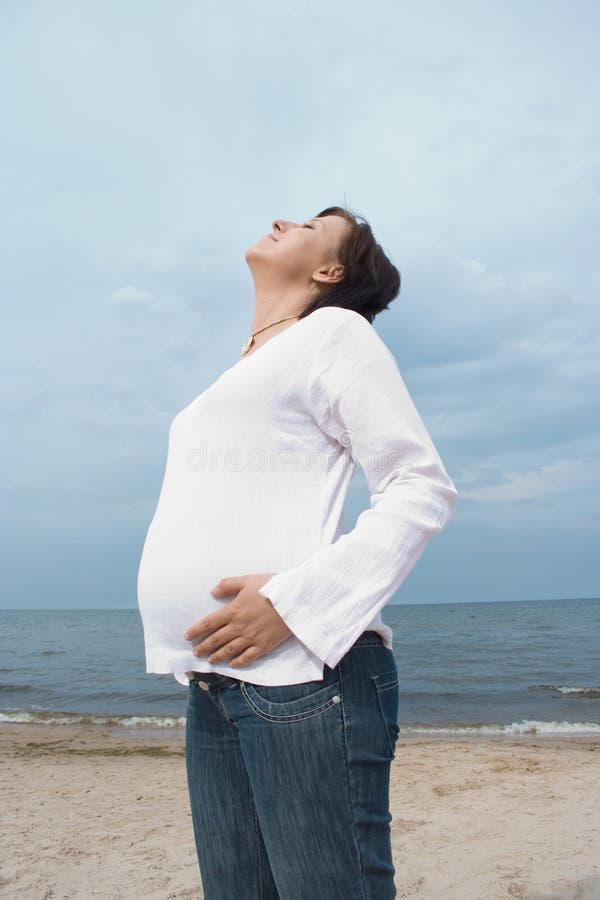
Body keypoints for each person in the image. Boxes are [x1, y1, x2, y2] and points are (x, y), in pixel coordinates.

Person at [136, 206, 459, 899]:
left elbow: (420, 487)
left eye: (312, 224)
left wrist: (293, 603)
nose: (283, 219)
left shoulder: (336, 333)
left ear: (330, 271)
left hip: (306, 680)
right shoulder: (250, 365)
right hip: (214, 686)